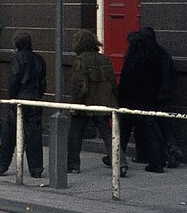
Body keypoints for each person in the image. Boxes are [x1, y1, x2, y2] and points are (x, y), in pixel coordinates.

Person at [67, 29, 127, 176]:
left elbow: (78, 86)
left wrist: (74, 104)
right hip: (103, 102)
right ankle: (121, 164)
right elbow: (112, 83)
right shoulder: (105, 59)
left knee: (75, 134)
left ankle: (73, 165)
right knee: (108, 134)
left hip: (85, 103)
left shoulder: (80, 61)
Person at [0, 31, 47, 178]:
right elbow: (43, 83)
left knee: (10, 134)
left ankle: (1, 165)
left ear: (17, 43)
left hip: (20, 99)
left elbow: (13, 81)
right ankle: (36, 169)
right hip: (35, 100)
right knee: (34, 135)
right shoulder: (39, 59)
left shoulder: (17, 58)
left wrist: (12, 98)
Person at [115, 31, 165, 171]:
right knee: (149, 129)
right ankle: (156, 160)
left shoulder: (133, 59)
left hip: (132, 100)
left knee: (123, 130)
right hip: (149, 99)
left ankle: (117, 156)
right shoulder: (154, 57)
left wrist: (120, 96)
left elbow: (126, 80)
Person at [142, 26, 184, 169]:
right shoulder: (164, 54)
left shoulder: (148, 55)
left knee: (152, 126)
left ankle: (160, 155)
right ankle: (173, 148)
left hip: (152, 96)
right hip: (165, 95)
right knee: (166, 124)